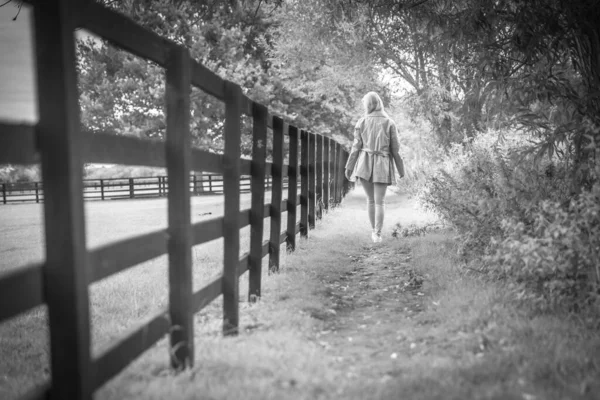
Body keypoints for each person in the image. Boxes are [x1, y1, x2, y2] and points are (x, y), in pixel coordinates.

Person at [345, 92, 404, 243]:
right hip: (382, 163)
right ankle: (377, 233)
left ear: (368, 105)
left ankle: (374, 232)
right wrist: (401, 170)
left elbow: (356, 147)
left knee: (370, 200)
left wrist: (349, 167)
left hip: (364, 163)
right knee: (380, 202)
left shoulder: (362, 122)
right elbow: (395, 150)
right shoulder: (389, 122)